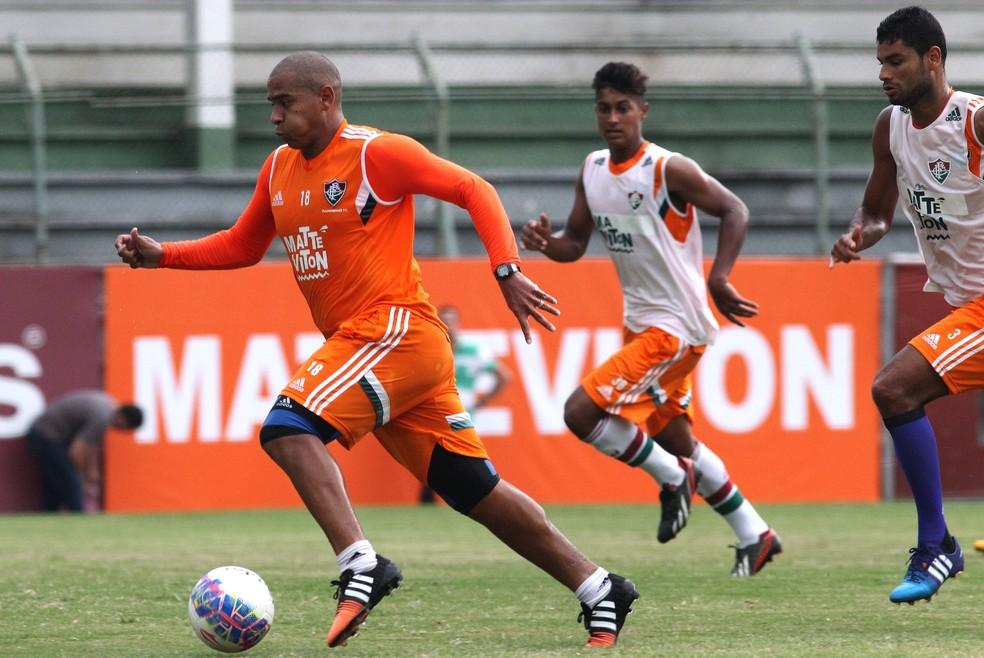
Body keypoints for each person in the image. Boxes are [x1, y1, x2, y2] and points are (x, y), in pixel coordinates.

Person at [114, 51, 639, 648]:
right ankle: (599, 588)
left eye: (286, 103)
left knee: (286, 428)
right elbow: (244, 243)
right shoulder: (279, 168)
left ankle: (358, 563)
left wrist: (507, 270)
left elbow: (473, 188)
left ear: (328, 98)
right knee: (472, 487)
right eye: (271, 106)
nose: (275, 117)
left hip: (393, 331)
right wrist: (166, 257)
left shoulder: (375, 153)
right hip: (386, 350)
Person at [521, 61, 781, 577]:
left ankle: (668, 478)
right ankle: (756, 534)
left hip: (676, 328)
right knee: (674, 436)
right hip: (642, 324)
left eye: (623, 108)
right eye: (604, 109)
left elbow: (735, 210)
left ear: (643, 111)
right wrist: (546, 244)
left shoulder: (667, 170)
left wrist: (719, 278)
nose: (613, 118)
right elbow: (575, 244)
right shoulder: (593, 169)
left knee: (580, 413)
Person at [830, 6, 983, 604]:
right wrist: (858, 235)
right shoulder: (890, 127)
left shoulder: (973, 121)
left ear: (933, 59)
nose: (884, 75)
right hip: (964, 301)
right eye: (880, 64)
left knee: (893, 388)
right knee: (896, 391)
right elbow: (876, 210)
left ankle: (937, 546)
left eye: (896, 62)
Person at [420, 304, 512, 504]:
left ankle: (471, 496)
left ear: (459, 324)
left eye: (452, 321)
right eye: (444, 320)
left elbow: (504, 376)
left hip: (462, 412)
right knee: (433, 453)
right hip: (434, 410)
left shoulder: (473, 350)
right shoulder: (430, 349)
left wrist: (483, 401)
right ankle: (432, 496)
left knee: (461, 457)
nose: (448, 325)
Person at [25, 390, 143, 512]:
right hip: (46, 436)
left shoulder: (107, 403)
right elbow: (76, 451)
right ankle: (78, 516)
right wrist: (83, 477)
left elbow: (89, 445)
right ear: (123, 419)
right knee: (72, 483)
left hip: (46, 434)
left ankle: (51, 515)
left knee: (55, 482)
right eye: (125, 428)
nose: (120, 430)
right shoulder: (102, 418)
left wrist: (92, 471)